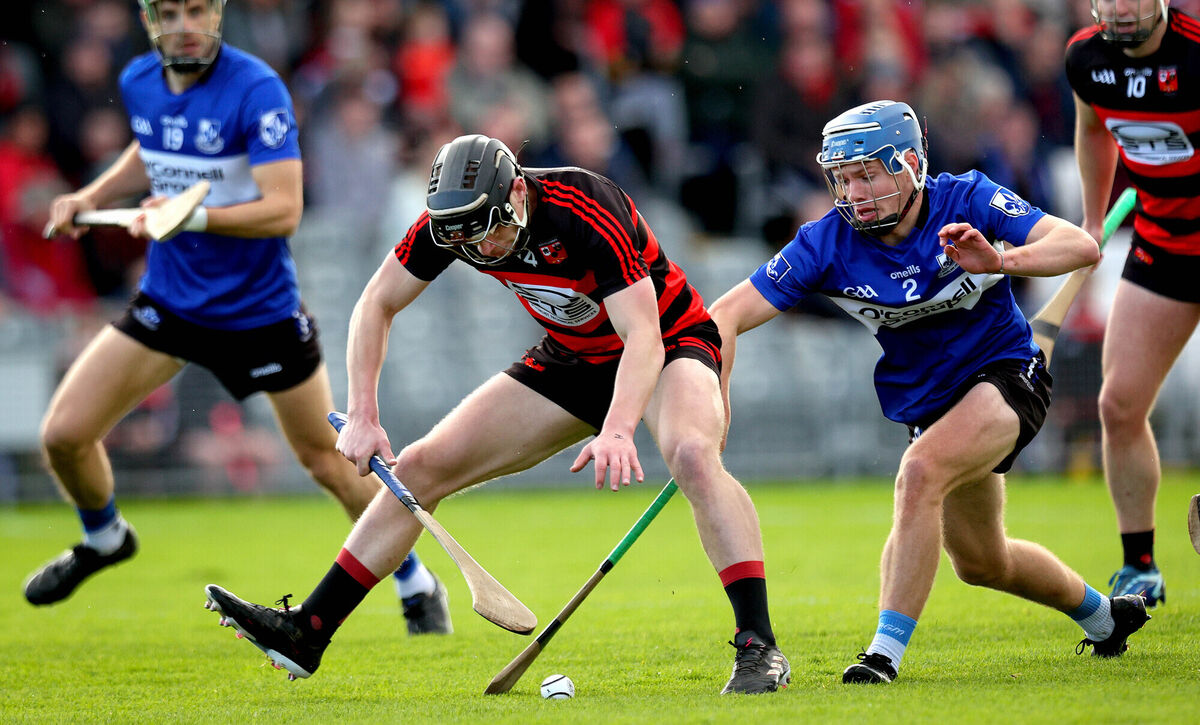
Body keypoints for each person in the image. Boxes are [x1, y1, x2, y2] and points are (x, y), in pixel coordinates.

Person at [202, 133, 789, 695]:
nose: (480, 250)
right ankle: (309, 630)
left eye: (487, 234)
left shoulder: (584, 206)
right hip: (572, 360)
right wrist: (362, 412)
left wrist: (617, 429)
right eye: (464, 242)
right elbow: (376, 303)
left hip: (670, 343)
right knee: (420, 467)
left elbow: (642, 335)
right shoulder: (449, 226)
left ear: (514, 195)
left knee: (691, 455)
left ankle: (758, 644)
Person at [23, 0, 451, 636]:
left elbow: (283, 210)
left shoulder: (256, 89)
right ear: (149, 18)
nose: (185, 24)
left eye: (198, 9)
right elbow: (151, 150)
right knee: (62, 436)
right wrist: (89, 197)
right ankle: (106, 536)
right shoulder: (139, 80)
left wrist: (186, 215)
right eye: (170, 11)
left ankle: (415, 580)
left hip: (260, 315)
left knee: (326, 462)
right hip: (170, 304)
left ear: (217, 14)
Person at [708, 100, 1151, 685]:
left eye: (868, 172)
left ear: (911, 162)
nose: (854, 190)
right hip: (936, 407)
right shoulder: (826, 243)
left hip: (1008, 377)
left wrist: (1003, 258)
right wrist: (715, 410)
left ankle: (881, 658)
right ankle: (1105, 618)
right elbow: (723, 317)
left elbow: (1079, 247)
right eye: (842, 177)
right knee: (982, 562)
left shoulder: (968, 198)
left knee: (918, 474)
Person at [1065, 0, 1200, 608]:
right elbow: (1093, 130)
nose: (1121, 6)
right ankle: (1140, 565)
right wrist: (1093, 222)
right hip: (1163, 249)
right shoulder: (1086, 60)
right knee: (1118, 405)